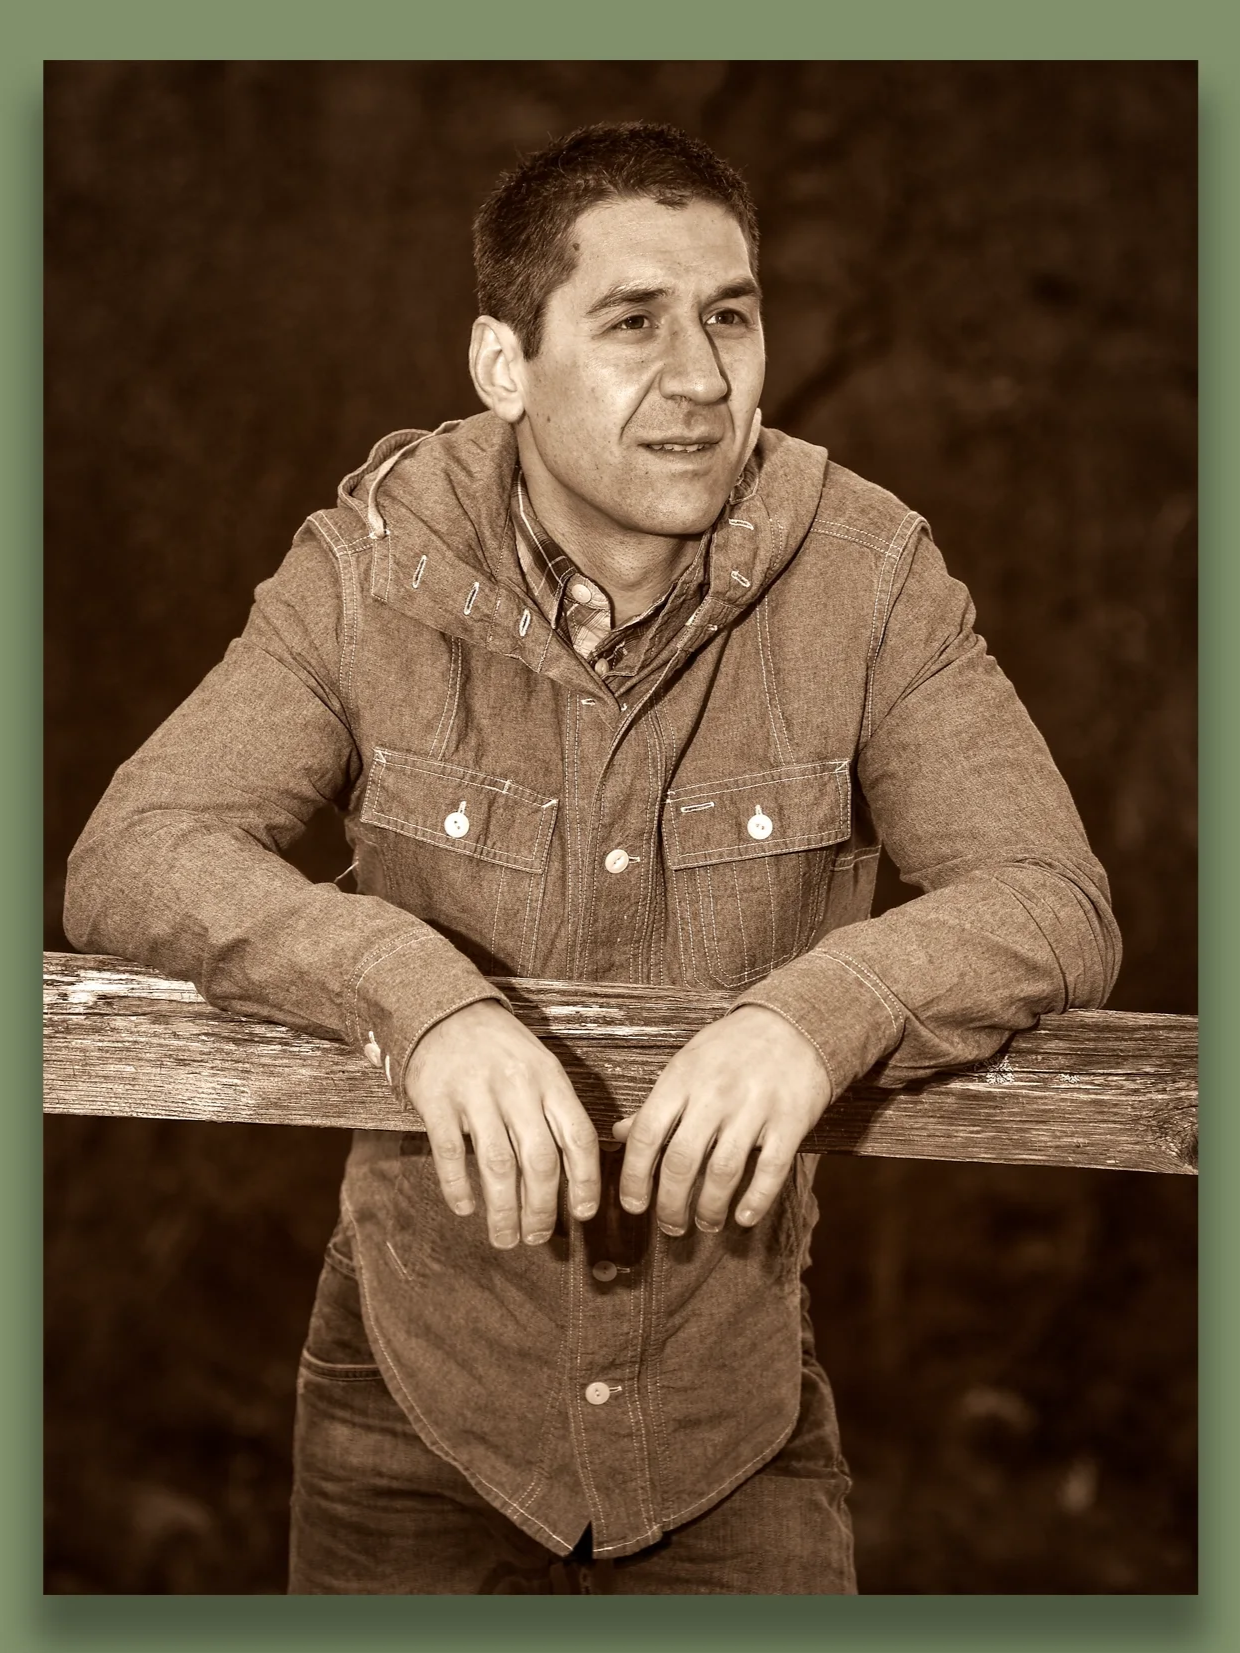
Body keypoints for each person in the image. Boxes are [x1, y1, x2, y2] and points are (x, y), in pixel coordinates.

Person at [63, 121, 1120, 1595]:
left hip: (728, 1428)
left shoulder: (869, 575)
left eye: (731, 317)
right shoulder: (369, 570)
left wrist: (816, 1016)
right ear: (505, 364)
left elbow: (1050, 902)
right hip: (406, 1412)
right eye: (634, 322)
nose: (703, 378)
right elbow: (139, 851)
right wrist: (413, 997)